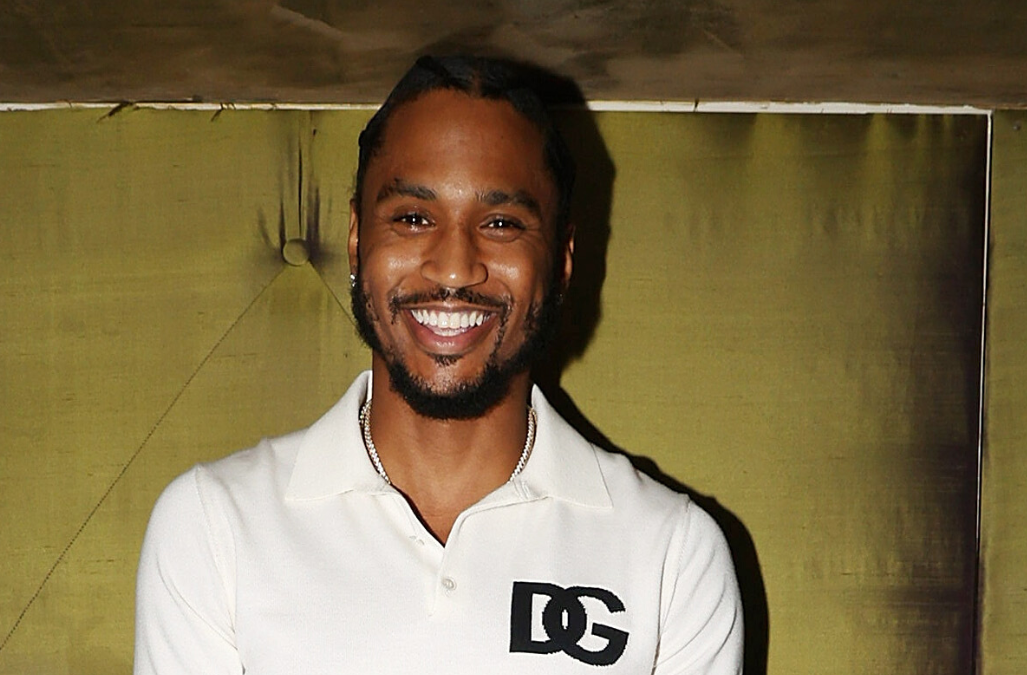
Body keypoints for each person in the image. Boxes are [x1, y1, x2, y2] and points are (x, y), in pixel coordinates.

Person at [134, 55, 743, 674]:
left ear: (561, 260)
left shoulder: (671, 555)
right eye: (413, 218)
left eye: (501, 223)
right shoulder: (214, 526)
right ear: (356, 239)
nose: (454, 267)